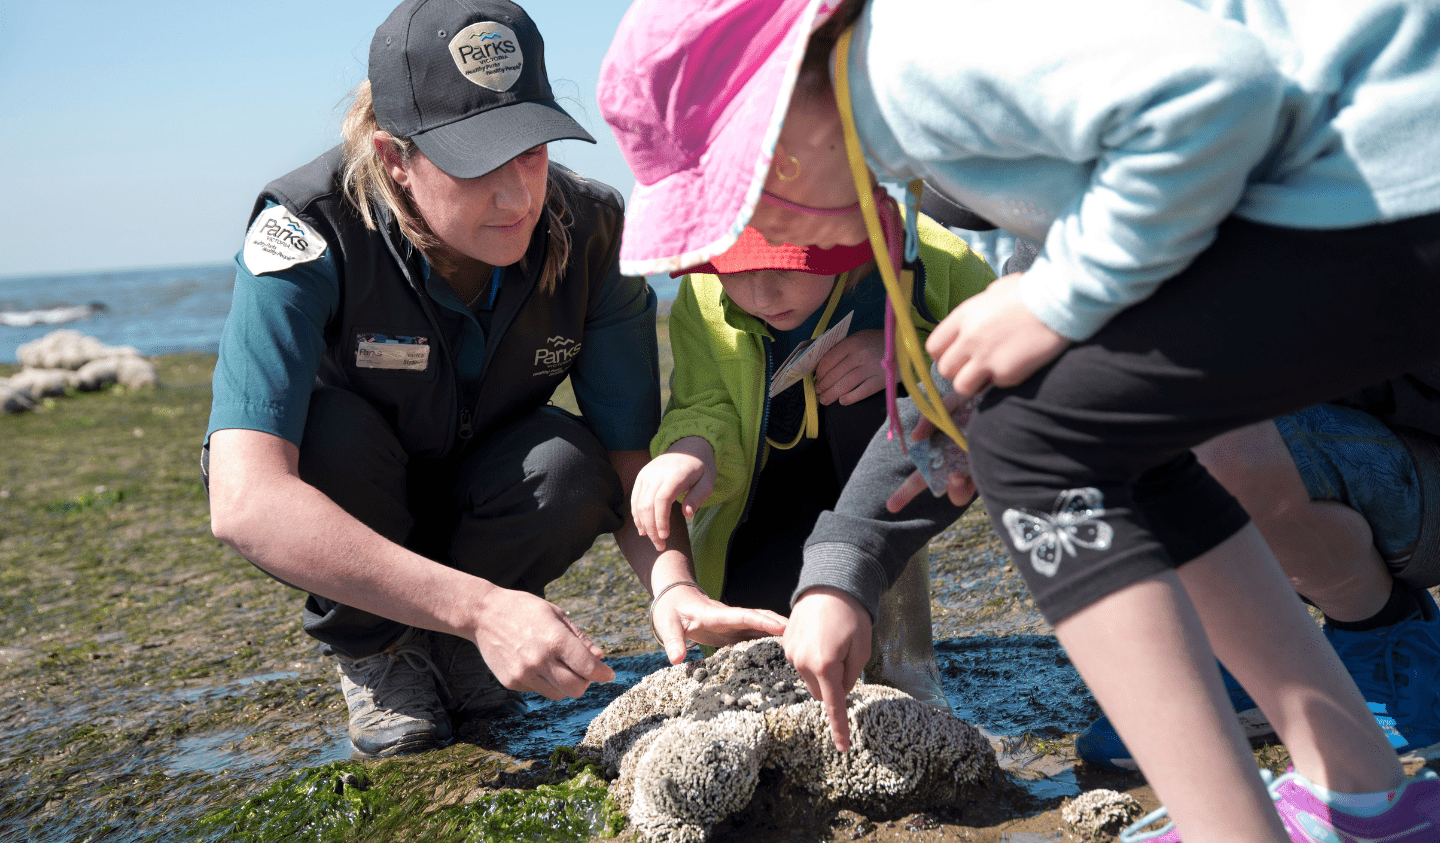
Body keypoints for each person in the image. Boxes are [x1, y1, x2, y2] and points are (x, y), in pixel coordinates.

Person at [597, 1, 1440, 841]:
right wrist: (844, 562)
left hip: (1389, 176)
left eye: (751, 198)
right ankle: (1360, 792)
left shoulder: (909, 57)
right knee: (1088, 419)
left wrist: (1050, 296)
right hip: (1354, 193)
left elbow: (1223, 91)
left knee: (1029, 439)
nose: (762, 234)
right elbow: (1007, 364)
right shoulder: (913, 104)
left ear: (777, 123)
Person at [204, 0, 782, 759]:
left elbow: (626, 455)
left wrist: (673, 585)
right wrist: (481, 610)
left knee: (568, 463)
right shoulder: (306, 229)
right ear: (393, 158)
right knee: (328, 435)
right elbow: (245, 501)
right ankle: (381, 650)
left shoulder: (592, 230)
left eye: (531, 152)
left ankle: (458, 646)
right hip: (354, 494)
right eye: (476, 163)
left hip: (487, 494)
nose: (517, 197)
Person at [630, 216, 994, 705]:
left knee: (876, 399)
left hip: (879, 466)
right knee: (767, 639)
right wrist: (693, 450)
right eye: (736, 272)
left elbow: (1005, 341)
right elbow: (704, 401)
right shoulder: (704, 290)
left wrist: (908, 354)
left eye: (786, 266)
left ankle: (904, 658)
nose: (762, 296)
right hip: (775, 491)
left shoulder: (926, 254)